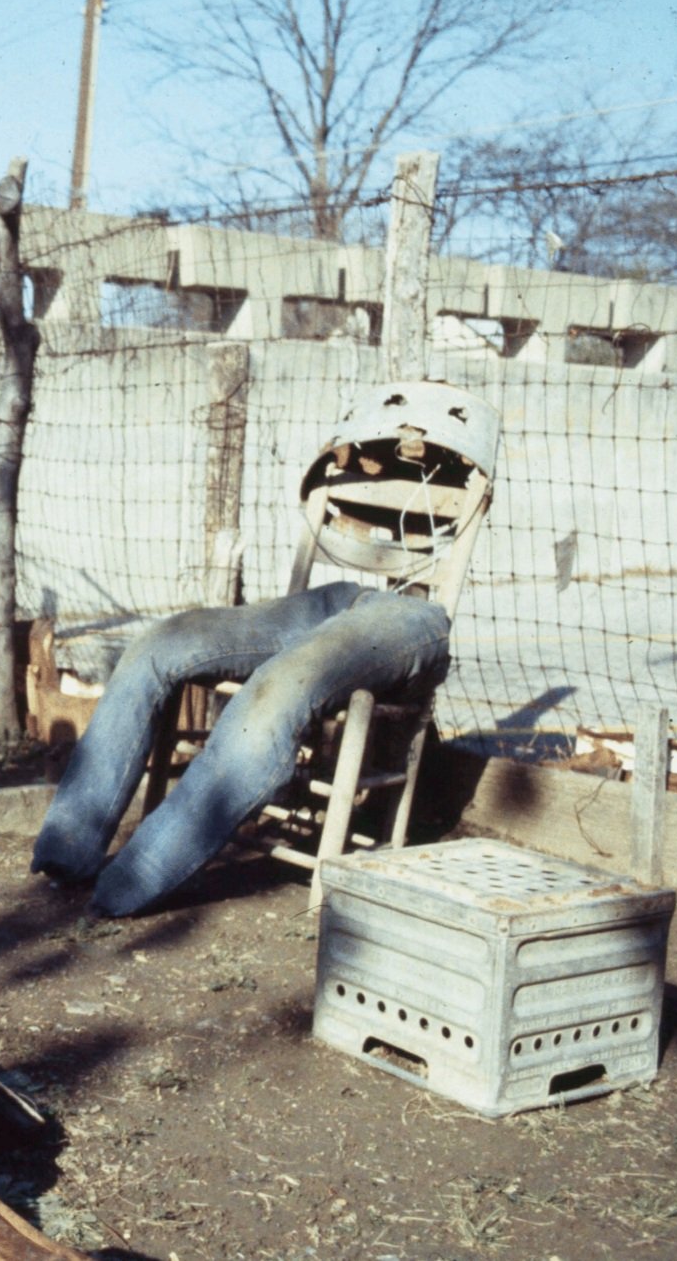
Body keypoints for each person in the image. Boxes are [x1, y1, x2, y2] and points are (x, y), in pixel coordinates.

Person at [31, 381, 498, 916]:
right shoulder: (351, 457)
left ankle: (128, 885)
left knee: (280, 687)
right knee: (155, 645)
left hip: (408, 619)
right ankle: (66, 853)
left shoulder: (465, 468)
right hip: (335, 600)